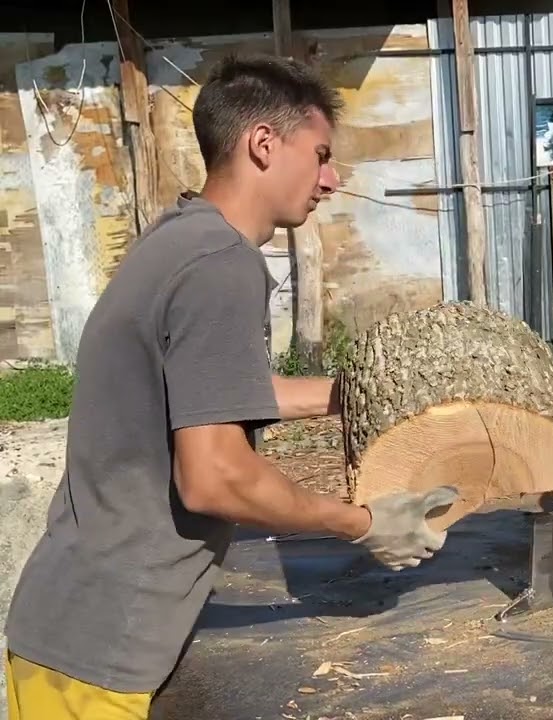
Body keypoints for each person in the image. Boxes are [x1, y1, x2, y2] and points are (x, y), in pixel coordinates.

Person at [3, 54, 457, 720]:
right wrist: (361, 524)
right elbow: (216, 477)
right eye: (322, 155)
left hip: (75, 625)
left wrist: (359, 393)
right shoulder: (221, 265)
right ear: (264, 145)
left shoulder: (180, 240)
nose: (331, 180)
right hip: (102, 652)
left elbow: (219, 391)